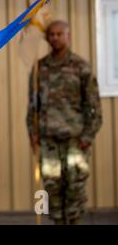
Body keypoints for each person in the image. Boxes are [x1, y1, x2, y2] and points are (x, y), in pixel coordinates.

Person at [26, 20, 102, 225]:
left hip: (75, 141)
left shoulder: (81, 67)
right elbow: (33, 107)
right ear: (46, 38)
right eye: (51, 34)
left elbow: (93, 106)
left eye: (60, 34)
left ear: (68, 36)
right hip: (48, 141)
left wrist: (87, 136)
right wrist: (33, 135)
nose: (55, 38)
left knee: (75, 190)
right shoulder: (39, 69)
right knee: (53, 190)